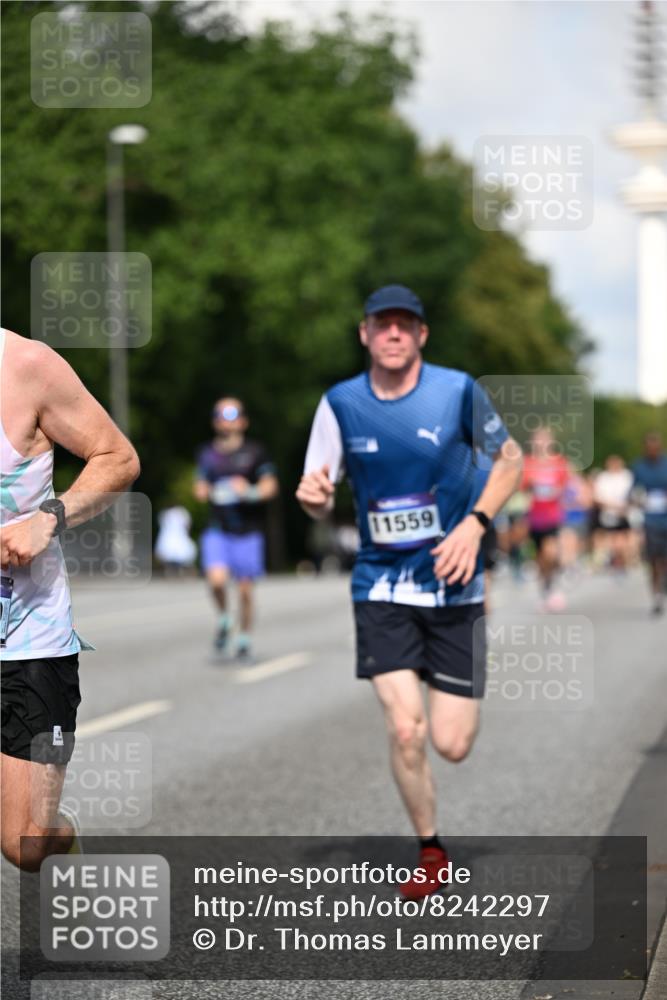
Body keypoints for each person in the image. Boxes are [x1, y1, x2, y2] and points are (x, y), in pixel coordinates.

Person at [296, 285, 522, 898]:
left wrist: (475, 527)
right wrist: (315, 503)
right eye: (382, 324)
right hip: (382, 586)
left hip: (454, 588)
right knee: (406, 729)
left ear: (421, 335)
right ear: (364, 334)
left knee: (451, 743)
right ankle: (430, 849)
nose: (393, 334)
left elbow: (510, 461)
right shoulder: (340, 403)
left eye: (406, 324)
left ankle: (444, 692)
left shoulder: (458, 391)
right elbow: (316, 491)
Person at [0, 327, 140, 871]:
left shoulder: (27, 366)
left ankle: (69, 851)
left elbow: (117, 457)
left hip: (29, 635)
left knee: (26, 843)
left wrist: (47, 518)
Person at [194, 397, 278, 659]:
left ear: (243, 421)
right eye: (221, 415)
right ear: (215, 421)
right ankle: (224, 618)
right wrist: (205, 491)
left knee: (244, 589)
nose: (227, 421)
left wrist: (249, 491)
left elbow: (270, 487)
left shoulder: (255, 452)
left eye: (233, 415)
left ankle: (244, 635)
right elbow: (199, 488)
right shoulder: (207, 453)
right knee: (216, 580)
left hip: (248, 530)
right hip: (218, 528)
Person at [521, 426, 571, 611]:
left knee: (551, 553)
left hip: (552, 516)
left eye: (544, 439)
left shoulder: (559, 461)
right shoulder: (528, 462)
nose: (540, 443)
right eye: (537, 439)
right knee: (540, 558)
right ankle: (546, 588)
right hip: (534, 517)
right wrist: (532, 485)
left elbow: (564, 485)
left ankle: (552, 585)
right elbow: (523, 487)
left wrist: (554, 490)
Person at [631, 432, 667, 616]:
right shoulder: (639, 467)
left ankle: (663, 582)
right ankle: (656, 595)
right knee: (654, 559)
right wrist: (638, 499)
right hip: (651, 518)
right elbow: (633, 491)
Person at [592, 456, 633, 572]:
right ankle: (612, 559)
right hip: (608, 513)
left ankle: (623, 559)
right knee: (610, 538)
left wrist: (625, 507)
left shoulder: (627, 476)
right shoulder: (603, 478)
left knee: (622, 539)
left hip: (624, 513)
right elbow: (597, 497)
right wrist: (612, 506)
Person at [154, 505, 197, 576]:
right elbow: (188, 525)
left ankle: (174, 570)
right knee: (178, 553)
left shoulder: (166, 513)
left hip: (173, 536)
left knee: (176, 553)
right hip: (174, 536)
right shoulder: (180, 512)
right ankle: (176, 570)